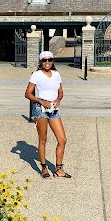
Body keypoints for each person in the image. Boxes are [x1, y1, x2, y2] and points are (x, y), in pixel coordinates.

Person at [24, 51, 71, 179]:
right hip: (40, 109)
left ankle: (58, 169)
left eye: (49, 60)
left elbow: (60, 92)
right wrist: (40, 101)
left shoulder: (56, 74)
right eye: (44, 60)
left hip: (53, 109)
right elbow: (27, 94)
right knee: (43, 139)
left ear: (52, 61)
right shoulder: (36, 75)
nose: (47, 62)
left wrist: (58, 99)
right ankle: (44, 167)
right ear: (40, 62)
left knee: (62, 139)